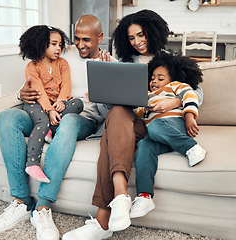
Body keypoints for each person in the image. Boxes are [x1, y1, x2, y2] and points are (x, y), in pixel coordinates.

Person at [63, 9, 202, 240]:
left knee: (110, 137)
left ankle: (102, 220)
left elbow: (196, 92)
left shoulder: (170, 61)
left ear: (153, 32)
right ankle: (120, 197)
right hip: (133, 121)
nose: (137, 42)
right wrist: (104, 91)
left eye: (141, 35)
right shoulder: (125, 62)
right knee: (116, 114)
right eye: (131, 37)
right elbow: (106, 112)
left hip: (161, 123)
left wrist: (174, 101)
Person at [0, 15, 116, 240]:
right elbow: (38, 77)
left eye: (86, 40)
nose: (79, 45)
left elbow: (111, 113)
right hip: (45, 115)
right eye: (76, 39)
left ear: (100, 38)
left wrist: (105, 84)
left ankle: (43, 208)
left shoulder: (109, 62)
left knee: (68, 120)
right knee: (8, 117)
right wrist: (21, 93)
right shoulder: (61, 53)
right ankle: (21, 202)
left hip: (80, 117)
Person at [130, 52, 206, 218]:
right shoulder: (147, 97)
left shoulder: (175, 87)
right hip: (157, 135)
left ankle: (191, 147)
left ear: (171, 79)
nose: (155, 81)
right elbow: (137, 113)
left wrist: (189, 116)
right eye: (152, 78)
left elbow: (190, 96)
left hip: (176, 126)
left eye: (160, 78)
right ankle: (144, 195)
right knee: (143, 146)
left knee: (155, 126)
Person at [18, 25, 83, 183]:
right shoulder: (32, 67)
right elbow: (38, 89)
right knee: (42, 121)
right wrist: (49, 110)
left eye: (60, 44)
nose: (58, 48)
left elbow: (66, 84)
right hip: (37, 103)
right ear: (41, 44)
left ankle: (50, 129)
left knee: (78, 103)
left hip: (57, 103)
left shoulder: (62, 64)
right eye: (54, 44)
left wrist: (61, 100)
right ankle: (32, 164)